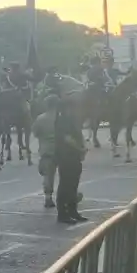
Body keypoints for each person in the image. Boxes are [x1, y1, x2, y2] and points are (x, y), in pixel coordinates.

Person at [53, 96, 88, 224]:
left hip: (74, 157)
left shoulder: (72, 120)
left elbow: (78, 135)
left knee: (73, 185)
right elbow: (67, 139)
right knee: (65, 185)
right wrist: (80, 149)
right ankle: (62, 213)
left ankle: (73, 211)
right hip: (65, 157)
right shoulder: (62, 121)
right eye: (72, 107)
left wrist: (82, 148)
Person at [32, 95, 60, 209]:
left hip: (47, 150)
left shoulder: (41, 118)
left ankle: (48, 197)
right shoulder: (62, 117)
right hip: (63, 149)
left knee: (48, 175)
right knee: (67, 175)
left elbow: (35, 133)